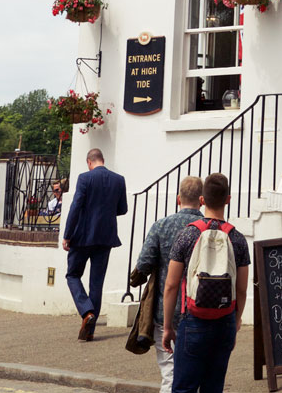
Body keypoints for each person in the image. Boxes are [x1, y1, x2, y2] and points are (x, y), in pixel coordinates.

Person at [161, 172, 250, 393]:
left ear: (202, 200)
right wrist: (236, 320)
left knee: (184, 388)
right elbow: (241, 289)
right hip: (224, 321)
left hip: (193, 320)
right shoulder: (238, 239)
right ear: (228, 199)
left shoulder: (187, 235)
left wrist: (167, 327)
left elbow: (171, 285)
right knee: (213, 388)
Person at [129, 176, 204, 392]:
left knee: (170, 374)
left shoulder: (161, 226)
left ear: (179, 199)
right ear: (201, 200)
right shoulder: (209, 228)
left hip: (166, 311)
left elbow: (143, 264)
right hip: (201, 311)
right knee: (197, 375)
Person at [63, 147, 129, 341]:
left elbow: (76, 207)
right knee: (96, 283)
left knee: (72, 274)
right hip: (106, 237)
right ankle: (89, 331)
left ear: (89, 162)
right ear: (103, 160)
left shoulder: (85, 178)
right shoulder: (119, 180)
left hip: (83, 236)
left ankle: (87, 312)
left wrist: (67, 235)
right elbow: (122, 209)